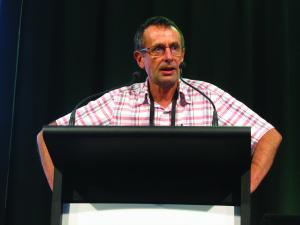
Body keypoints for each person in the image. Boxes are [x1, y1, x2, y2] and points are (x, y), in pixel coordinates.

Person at [37, 16, 282, 193]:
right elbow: (46, 136)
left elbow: (269, 136)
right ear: (139, 59)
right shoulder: (118, 101)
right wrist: (62, 193)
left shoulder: (210, 98)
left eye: (174, 48)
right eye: (157, 49)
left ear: (183, 55)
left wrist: (243, 190)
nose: (168, 57)